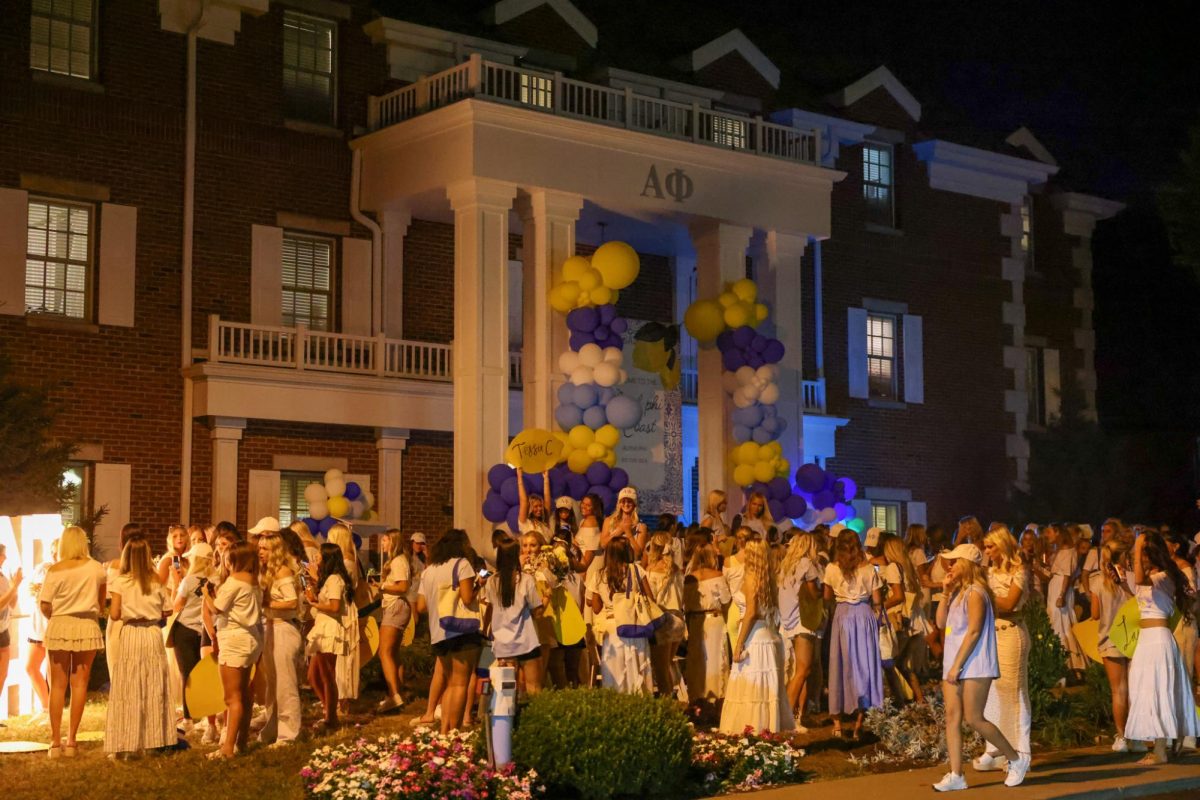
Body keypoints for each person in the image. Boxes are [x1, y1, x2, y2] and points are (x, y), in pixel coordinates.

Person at [934, 543, 1029, 792]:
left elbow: (975, 630)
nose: (950, 565)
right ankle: (956, 774)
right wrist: (945, 593)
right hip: (955, 662)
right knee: (952, 718)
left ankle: (1016, 758)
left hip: (974, 663)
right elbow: (941, 622)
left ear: (967, 564)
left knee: (974, 718)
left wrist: (957, 665)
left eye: (955, 561)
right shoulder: (958, 591)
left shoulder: (977, 592)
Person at [1125, 530, 1200, 764]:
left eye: (1144, 553)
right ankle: (1166, 743)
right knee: (1147, 688)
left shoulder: (1165, 576)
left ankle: (1159, 750)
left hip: (1158, 639)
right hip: (1148, 638)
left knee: (1158, 689)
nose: (1140, 557)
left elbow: (1139, 580)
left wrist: (1138, 546)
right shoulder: (1157, 576)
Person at [105, 535, 175, 757]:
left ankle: (126, 743)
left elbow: (115, 613)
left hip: (131, 634)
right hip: (152, 634)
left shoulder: (121, 582)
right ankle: (154, 741)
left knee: (129, 686)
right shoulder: (155, 580)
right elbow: (169, 608)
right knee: (154, 685)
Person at [38, 526, 105, 757]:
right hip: (87, 624)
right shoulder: (96, 568)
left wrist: (56, 616)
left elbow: (45, 603)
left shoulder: (55, 570)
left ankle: (55, 743)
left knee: (57, 684)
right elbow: (101, 601)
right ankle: (72, 741)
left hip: (60, 624)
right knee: (80, 684)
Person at [718, 537, 793, 733]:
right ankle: (767, 728)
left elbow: (750, 612)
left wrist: (739, 642)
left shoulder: (751, 578)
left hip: (754, 637)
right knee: (763, 687)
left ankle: (751, 728)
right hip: (768, 635)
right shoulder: (768, 578)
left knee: (751, 686)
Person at [974, 525, 1031, 772]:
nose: (987, 551)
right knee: (993, 693)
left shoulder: (1019, 570)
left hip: (1011, 632)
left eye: (990, 546)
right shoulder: (987, 572)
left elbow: (1010, 603)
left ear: (1002, 545)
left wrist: (984, 597)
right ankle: (994, 749)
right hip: (991, 633)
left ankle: (1019, 751)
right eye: (985, 547)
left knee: (1013, 692)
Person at [416, 529, 482, 733]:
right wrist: (479, 586)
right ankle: (454, 732)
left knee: (450, 682)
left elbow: (420, 607)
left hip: (439, 632)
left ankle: (445, 730)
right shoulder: (462, 565)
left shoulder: (428, 571)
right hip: (461, 630)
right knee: (460, 683)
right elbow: (467, 598)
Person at [203, 541, 263, 758]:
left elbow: (217, 608)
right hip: (251, 639)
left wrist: (206, 594)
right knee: (245, 694)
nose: (225, 562)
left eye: (228, 558)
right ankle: (242, 741)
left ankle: (227, 748)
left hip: (234, 640)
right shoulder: (254, 581)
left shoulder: (233, 582)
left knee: (232, 697)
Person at [823, 528, 883, 739]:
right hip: (864, 615)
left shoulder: (831, 568)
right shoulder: (869, 569)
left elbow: (827, 595)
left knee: (840, 663)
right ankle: (859, 723)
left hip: (842, 615)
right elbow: (877, 600)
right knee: (863, 666)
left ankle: (838, 724)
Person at [589, 538, 654, 695]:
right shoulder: (636, 570)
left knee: (615, 673)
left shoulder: (599, 575)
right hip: (634, 625)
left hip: (612, 628)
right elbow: (651, 599)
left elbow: (596, 608)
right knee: (637, 669)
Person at [1089, 538, 1135, 751]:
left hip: (1109, 639)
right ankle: (1138, 736)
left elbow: (1095, 614)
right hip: (1133, 637)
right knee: (1134, 689)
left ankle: (1121, 736)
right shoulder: (1132, 579)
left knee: (1118, 690)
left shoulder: (1097, 581)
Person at [483, 537, 545, 694]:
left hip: (503, 643)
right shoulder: (526, 580)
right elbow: (537, 611)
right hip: (526, 641)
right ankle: (533, 718)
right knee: (533, 688)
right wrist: (547, 598)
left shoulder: (491, 581)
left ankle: (508, 718)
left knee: (507, 691)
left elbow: (490, 608)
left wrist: (485, 630)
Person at [256, 532, 301, 745]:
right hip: (270, 628)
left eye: (265, 548)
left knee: (285, 684)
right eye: (259, 548)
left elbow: (292, 603)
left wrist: (267, 604)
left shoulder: (283, 572)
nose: (260, 552)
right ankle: (272, 728)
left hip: (284, 629)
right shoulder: (265, 573)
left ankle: (289, 732)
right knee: (271, 684)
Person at [173, 541, 220, 744]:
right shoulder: (216, 579)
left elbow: (177, 605)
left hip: (184, 630)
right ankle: (209, 717)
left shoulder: (189, 580)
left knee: (187, 675)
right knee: (206, 675)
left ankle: (188, 717)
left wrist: (177, 581)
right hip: (205, 630)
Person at [304, 542, 354, 732]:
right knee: (313, 676)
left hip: (330, 629)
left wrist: (314, 604)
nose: (316, 560)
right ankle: (329, 710)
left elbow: (334, 606)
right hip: (322, 627)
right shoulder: (329, 579)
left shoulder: (335, 579)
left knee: (326, 675)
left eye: (319, 557)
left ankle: (331, 718)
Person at [778, 530, 824, 728]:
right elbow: (813, 594)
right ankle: (786, 717)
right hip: (803, 620)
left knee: (801, 670)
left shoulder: (785, 566)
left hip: (787, 621)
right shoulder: (807, 564)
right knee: (803, 670)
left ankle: (797, 715)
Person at [881, 532, 929, 705]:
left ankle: (899, 702)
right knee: (902, 663)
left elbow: (898, 596)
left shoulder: (894, 567)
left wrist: (879, 607)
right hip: (915, 619)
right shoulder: (907, 566)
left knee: (889, 661)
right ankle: (919, 699)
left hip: (901, 619)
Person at [683, 542, 731, 704]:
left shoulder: (689, 578)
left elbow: (687, 605)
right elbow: (726, 600)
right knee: (716, 659)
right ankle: (716, 697)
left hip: (696, 621)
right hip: (714, 619)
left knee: (698, 660)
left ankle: (698, 697)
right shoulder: (717, 575)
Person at [326, 524, 362, 714]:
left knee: (344, 655)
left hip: (344, 611)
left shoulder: (346, 563)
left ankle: (343, 699)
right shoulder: (346, 561)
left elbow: (340, 588)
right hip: (341, 609)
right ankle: (336, 697)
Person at [644, 531, 685, 698]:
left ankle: (667, 703)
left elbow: (651, 599)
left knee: (660, 668)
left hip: (663, 620)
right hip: (678, 619)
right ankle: (672, 700)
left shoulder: (652, 569)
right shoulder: (677, 570)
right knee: (667, 664)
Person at [1043, 523, 1087, 677]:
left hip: (1060, 590)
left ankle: (1071, 665)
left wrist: (1061, 595)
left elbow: (1067, 575)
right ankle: (1063, 664)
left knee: (1062, 623)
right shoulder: (1060, 551)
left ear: (1058, 532)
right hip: (1055, 587)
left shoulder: (1069, 551)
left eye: (1049, 532)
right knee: (1056, 623)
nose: (1047, 535)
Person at [377, 529, 412, 712]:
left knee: (384, 652)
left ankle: (394, 694)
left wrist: (382, 585)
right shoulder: (398, 561)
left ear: (393, 542)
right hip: (396, 606)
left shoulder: (398, 561)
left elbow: (402, 586)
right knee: (393, 653)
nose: (382, 544)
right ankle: (398, 691)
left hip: (395, 606)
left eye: (385, 540)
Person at [24, 540, 57, 715]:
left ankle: (53, 709)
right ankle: (46, 707)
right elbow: (33, 590)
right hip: (37, 624)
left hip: (53, 625)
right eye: (52, 551)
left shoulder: (63, 572)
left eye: (57, 552)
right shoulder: (43, 567)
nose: (53, 555)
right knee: (31, 666)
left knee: (53, 672)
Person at [0, 543, 23, 709]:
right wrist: (14, 586)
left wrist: (16, 586)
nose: (5, 558)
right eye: (3, 554)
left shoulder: (3, 577)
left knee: (2, 674)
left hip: (3, 629)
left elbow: (11, 603)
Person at [516, 467, 552, 539]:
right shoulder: (525, 522)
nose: (539, 509)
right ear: (530, 508)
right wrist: (519, 477)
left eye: (540, 506)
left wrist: (546, 479)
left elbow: (547, 500)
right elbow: (523, 501)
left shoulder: (544, 522)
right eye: (536, 506)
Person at [700, 489, 732, 559]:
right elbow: (701, 539)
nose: (726, 505)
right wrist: (718, 538)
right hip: (712, 557)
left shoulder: (717, 518)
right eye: (724, 502)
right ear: (717, 503)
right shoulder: (709, 519)